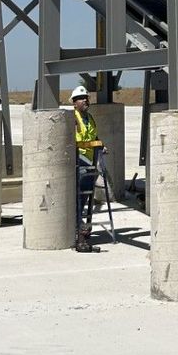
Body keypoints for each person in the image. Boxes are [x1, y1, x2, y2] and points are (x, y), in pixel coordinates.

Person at [69, 86, 99, 249]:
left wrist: (100, 145)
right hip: (79, 161)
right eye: (81, 98)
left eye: (86, 97)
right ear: (74, 103)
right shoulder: (72, 118)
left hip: (90, 162)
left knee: (85, 198)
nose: (85, 100)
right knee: (77, 198)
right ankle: (78, 228)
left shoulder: (90, 118)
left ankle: (81, 228)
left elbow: (94, 136)